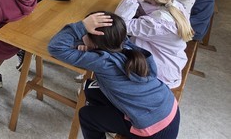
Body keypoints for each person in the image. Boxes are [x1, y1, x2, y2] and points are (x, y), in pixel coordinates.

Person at [48, 12, 180, 139]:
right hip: (169, 108)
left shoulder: (102, 62)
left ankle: (109, 123)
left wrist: (81, 26)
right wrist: (88, 42)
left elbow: (55, 47)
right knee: (90, 89)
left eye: (85, 32)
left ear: (95, 44)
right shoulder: (126, 46)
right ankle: (109, 120)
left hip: (153, 131)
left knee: (86, 115)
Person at [116, 0, 193, 88]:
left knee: (109, 53)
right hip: (171, 62)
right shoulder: (176, 6)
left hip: (158, 75)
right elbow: (147, 4)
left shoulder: (156, 23)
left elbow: (120, 24)